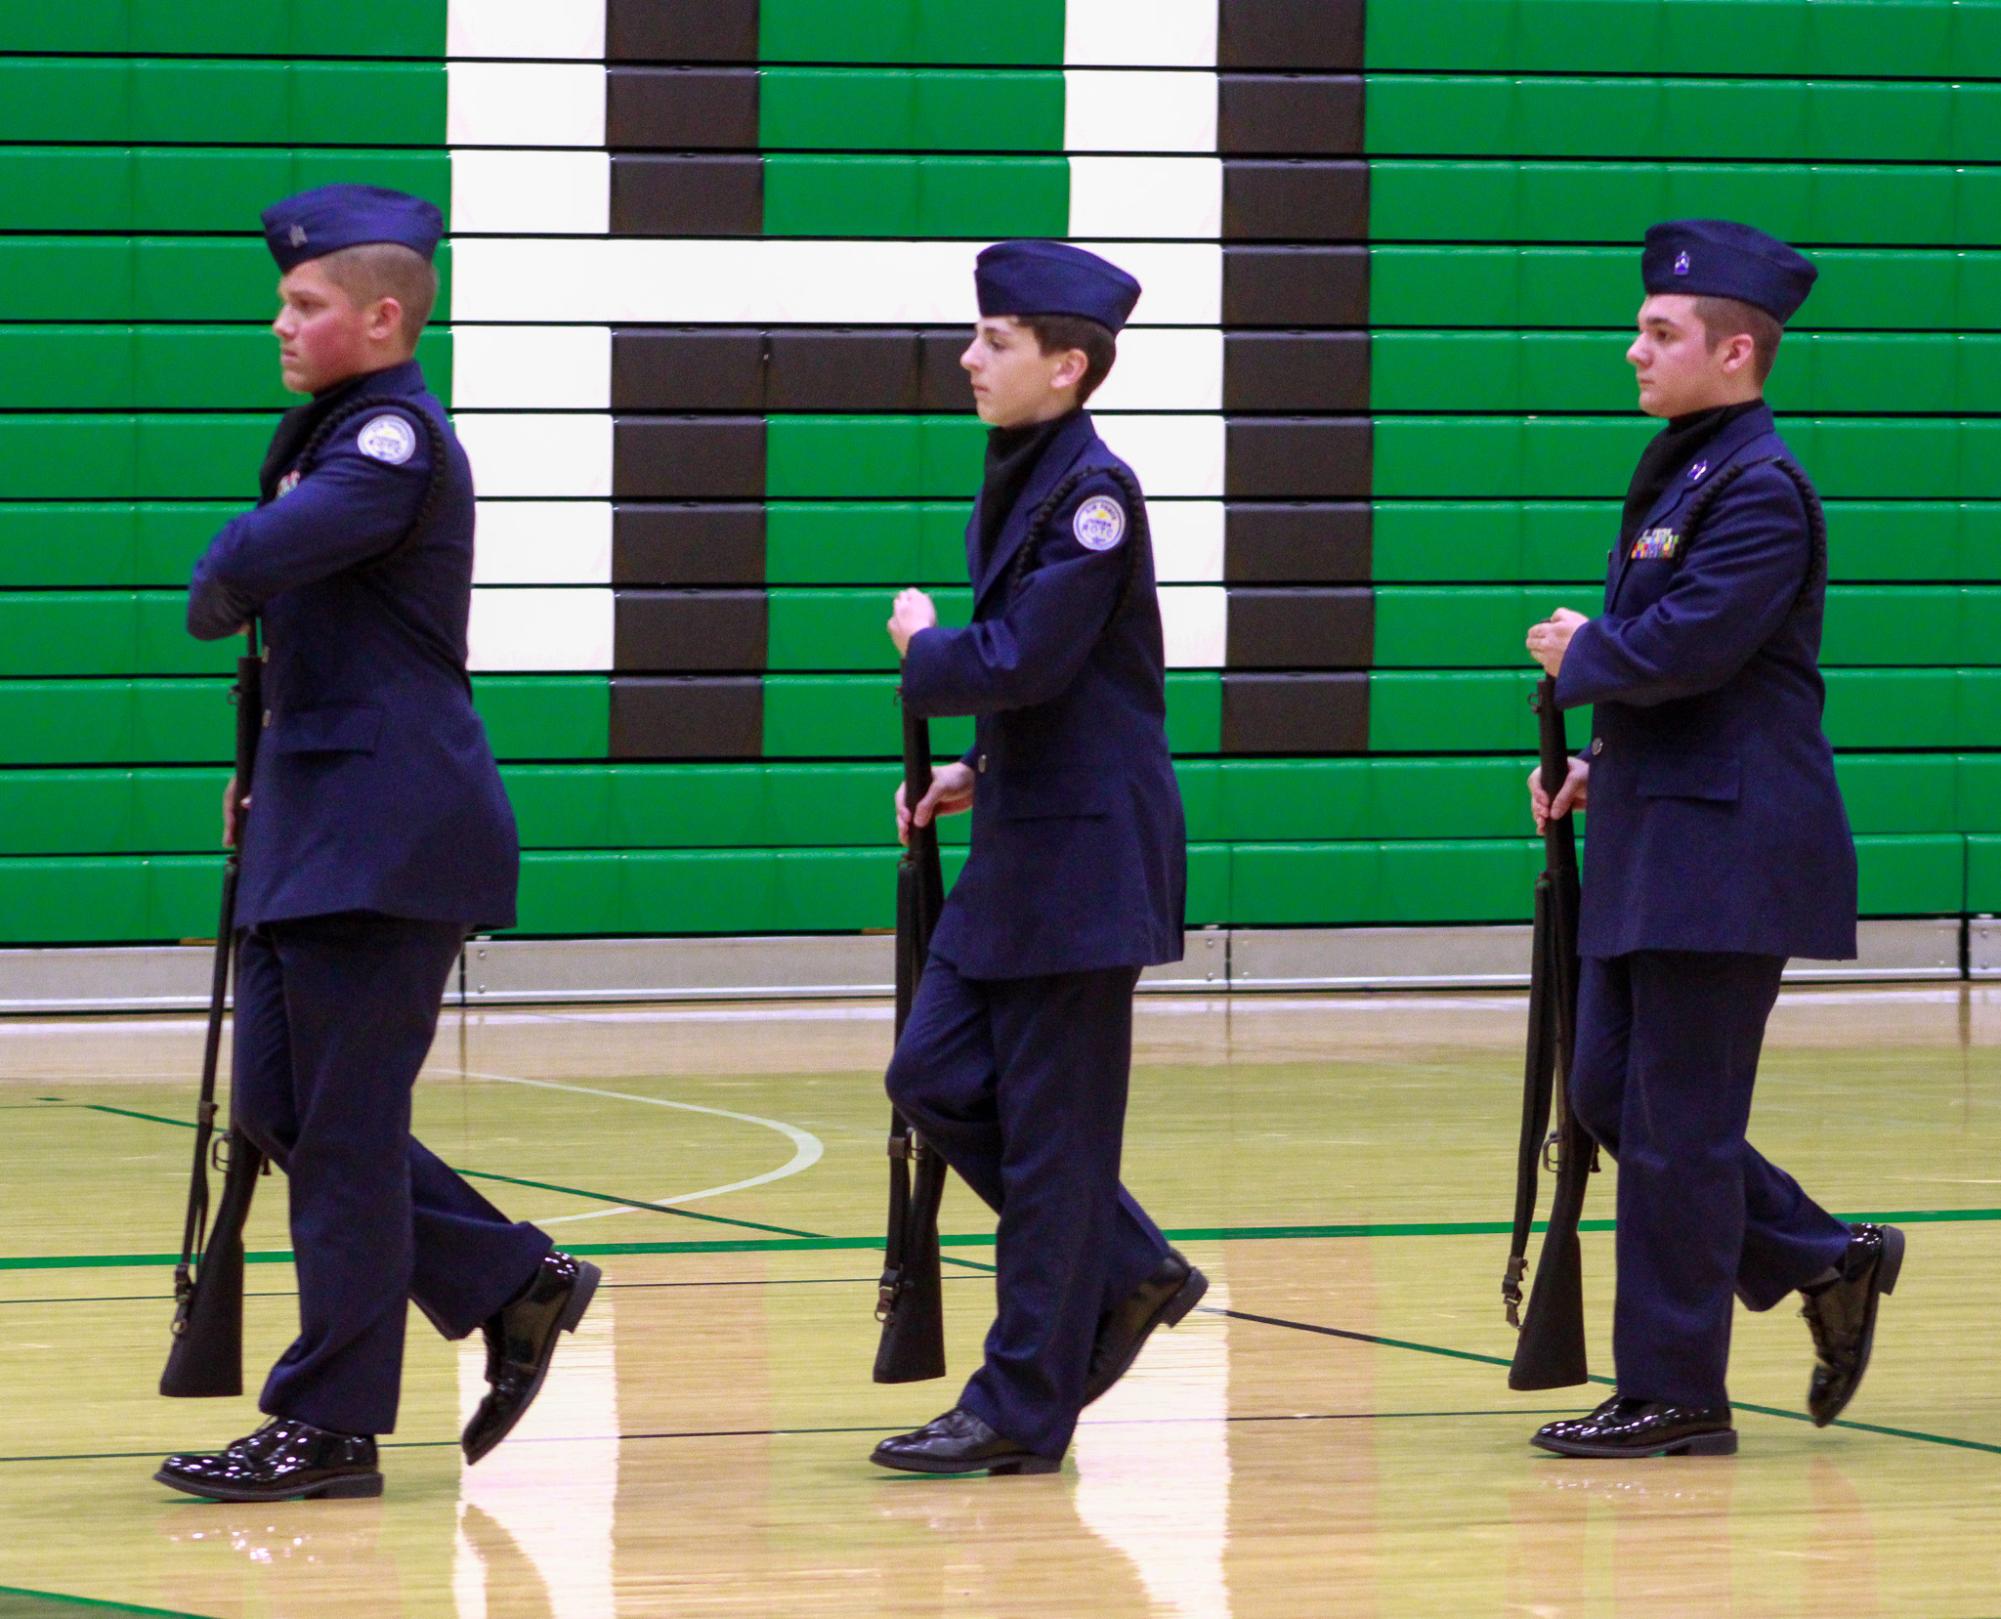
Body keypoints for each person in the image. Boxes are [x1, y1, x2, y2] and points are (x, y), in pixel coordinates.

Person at [156, 185, 598, 1502]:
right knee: (290, 1112)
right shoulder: (336, 429)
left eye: (306, 303)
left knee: (340, 1132)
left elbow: (244, 562)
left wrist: (233, 561)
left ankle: (331, 1423)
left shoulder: (392, 436)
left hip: (388, 828)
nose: (280, 322)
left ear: (383, 315)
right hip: (325, 818)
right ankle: (510, 1276)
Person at [1523, 219, 1903, 1458]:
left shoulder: (1759, 488)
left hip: (1729, 855)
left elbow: (1691, 649)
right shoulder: (1690, 468)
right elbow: (1689, 679)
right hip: (1665, 838)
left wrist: (1589, 660)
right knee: (1607, 1095)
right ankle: (1820, 1253)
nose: (1634, 347)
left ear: (1737, 351)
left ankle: (1678, 1390)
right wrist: (1596, 764)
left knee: (1676, 1124)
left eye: (1661, 332)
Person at [869, 241, 1205, 1476]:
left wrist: (926, 648)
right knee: (935, 1072)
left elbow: (1024, 658)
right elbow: (1053, 695)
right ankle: (1125, 1264)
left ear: (1068, 366)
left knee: (1058, 1143)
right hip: (1029, 836)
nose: (970, 356)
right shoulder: (1027, 475)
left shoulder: (1093, 490)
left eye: (997, 341)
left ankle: (1019, 1407)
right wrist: (980, 768)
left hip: (1085, 862)